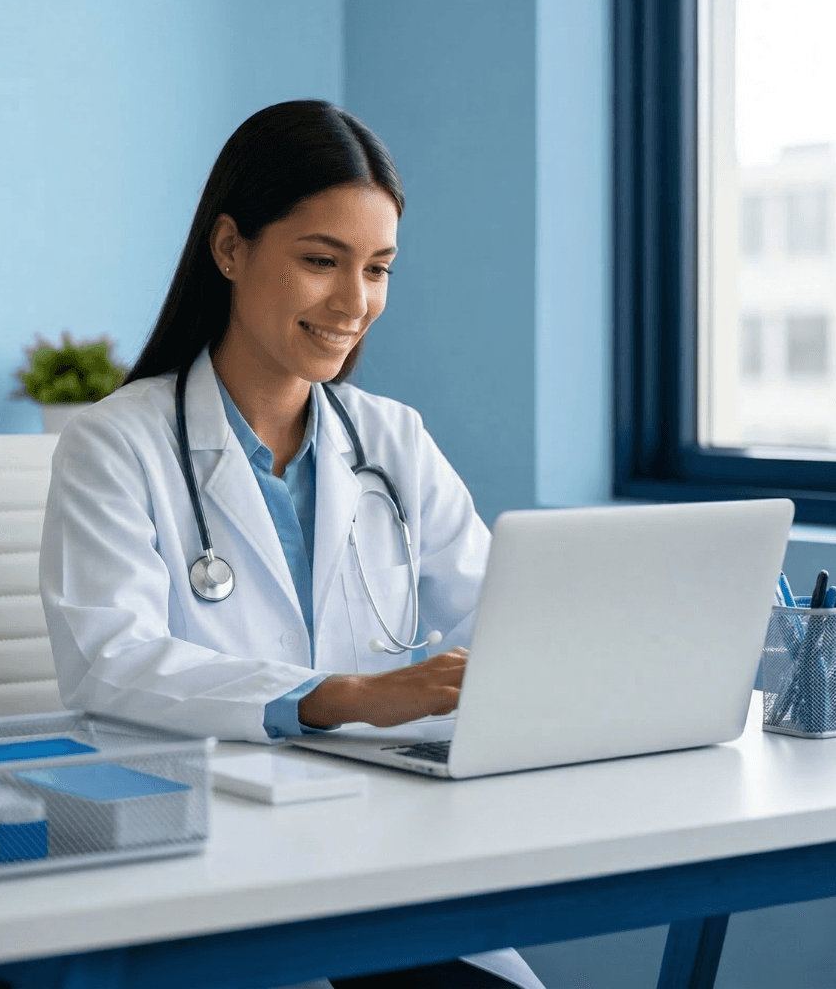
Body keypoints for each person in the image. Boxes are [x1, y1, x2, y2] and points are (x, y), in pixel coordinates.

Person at [32, 100, 547, 989]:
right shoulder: (116, 443)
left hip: (374, 847)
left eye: (378, 269)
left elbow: (507, 618)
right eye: (321, 261)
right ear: (230, 249)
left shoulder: (393, 440)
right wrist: (339, 696)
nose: (355, 303)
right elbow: (109, 662)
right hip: (200, 857)